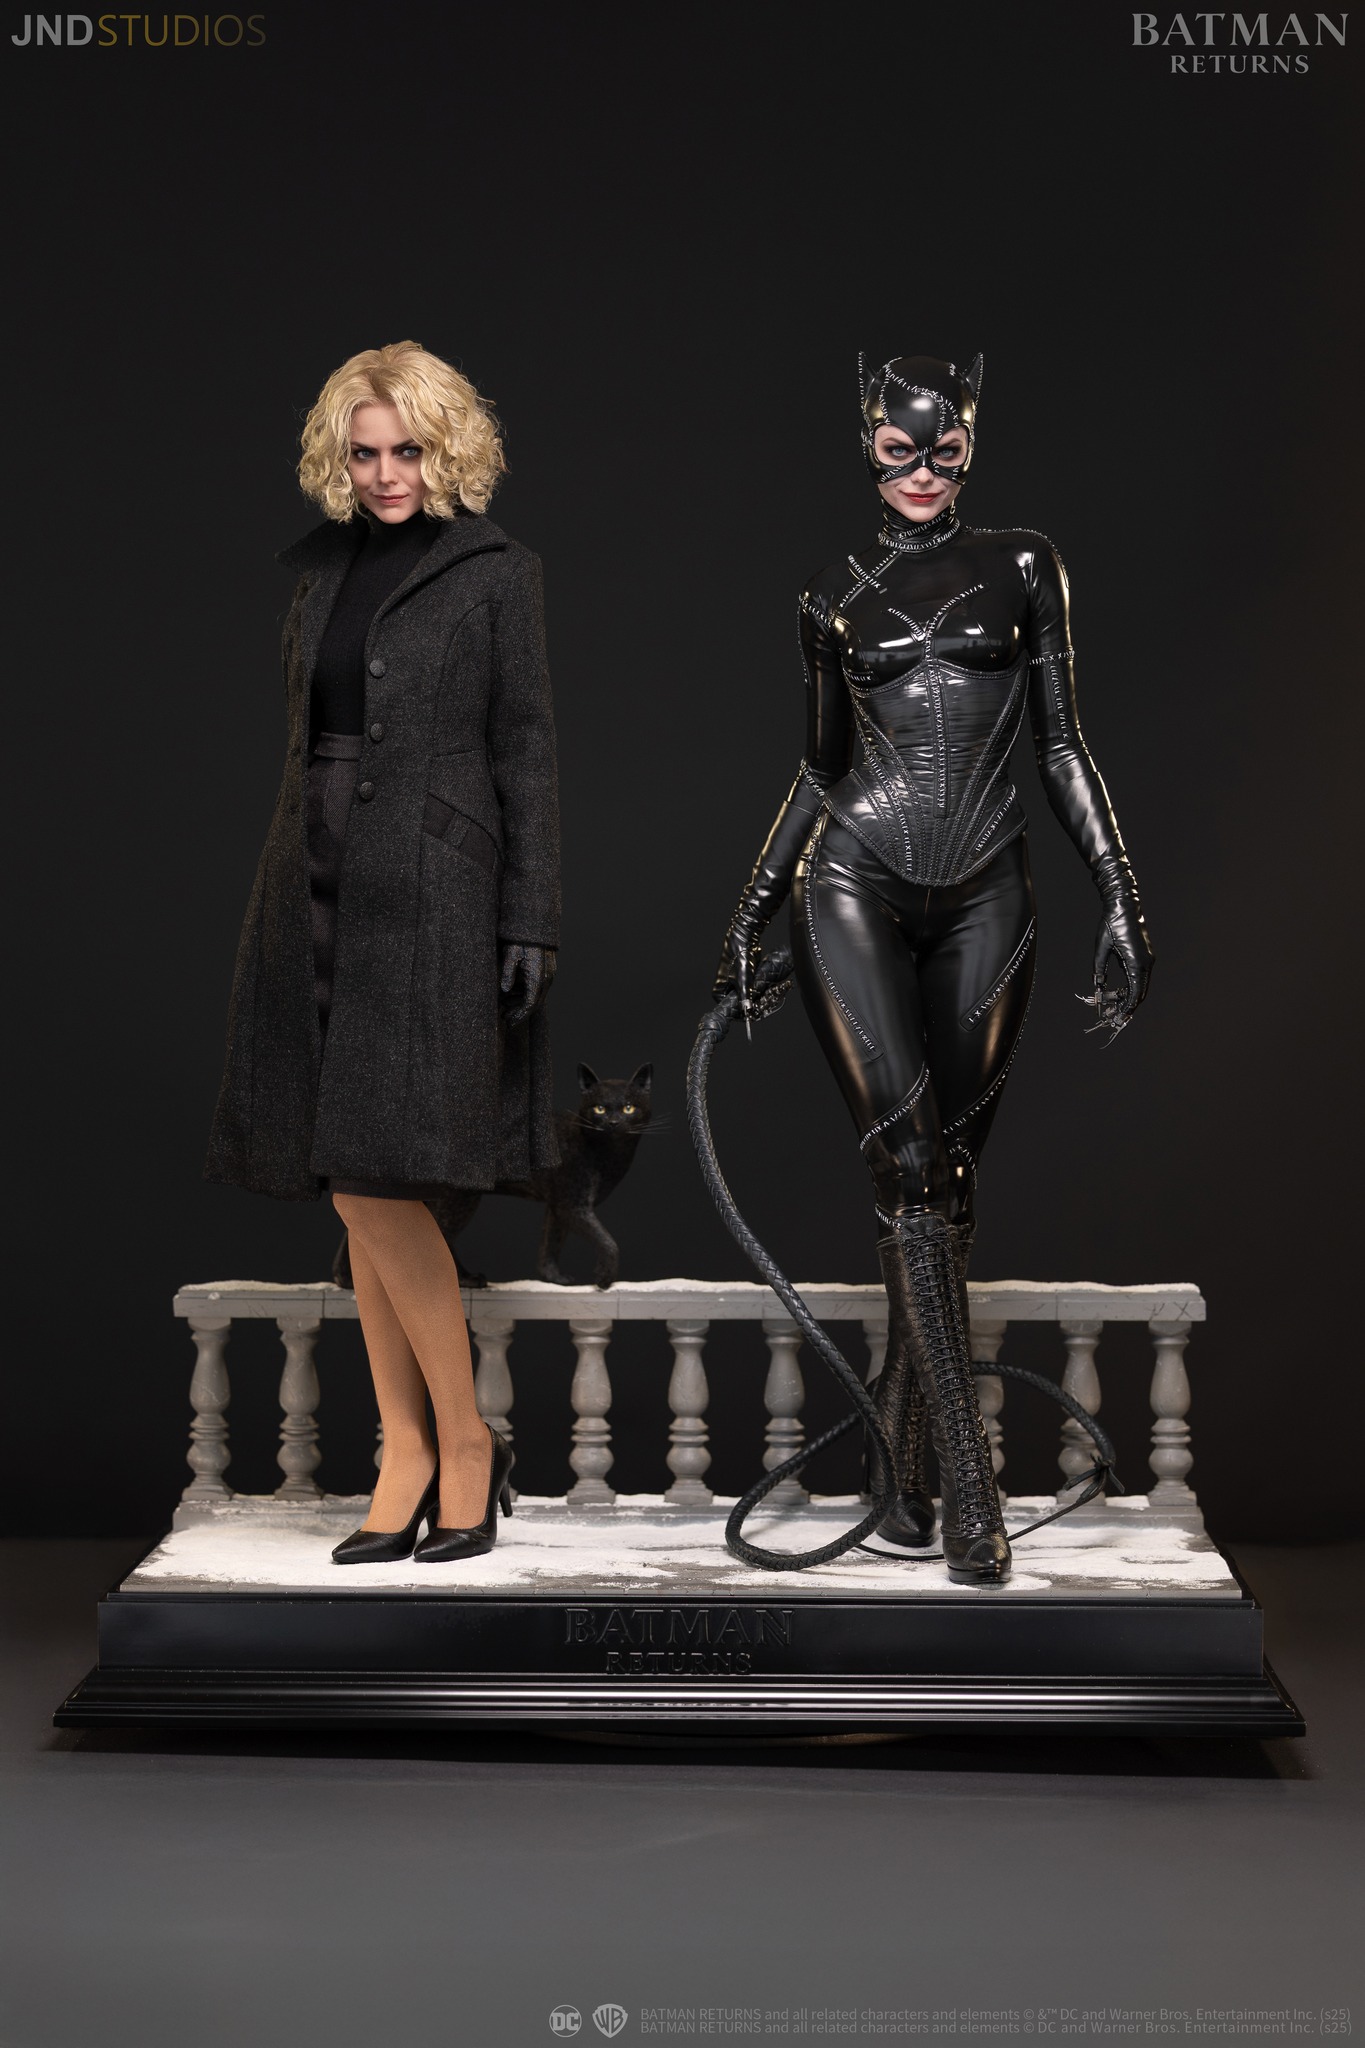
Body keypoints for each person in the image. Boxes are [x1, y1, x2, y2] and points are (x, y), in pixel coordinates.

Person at [713, 354, 1153, 1585]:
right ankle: (970, 1495)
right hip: (851, 878)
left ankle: (901, 1482)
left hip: (989, 891)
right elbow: (819, 768)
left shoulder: (1025, 563)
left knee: (944, 1185)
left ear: (970, 439)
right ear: (864, 441)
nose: (920, 469)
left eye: (941, 446)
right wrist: (752, 907)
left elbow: (1063, 746)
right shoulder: (829, 592)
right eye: (897, 447)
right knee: (907, 1165)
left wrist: (1122, 889)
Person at [206, 341, 560, 1565]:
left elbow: (527, 749)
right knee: (352, 1176)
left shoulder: (497, 574)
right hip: (311, 879)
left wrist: (531, 915)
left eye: (407, 449)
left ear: (447, 446)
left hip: (434, 895)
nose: (386, 473)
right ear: (337, 457)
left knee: (378, 1174)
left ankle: (461, 1440)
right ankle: (407, 1445)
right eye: (363, 453)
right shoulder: (322, 573)